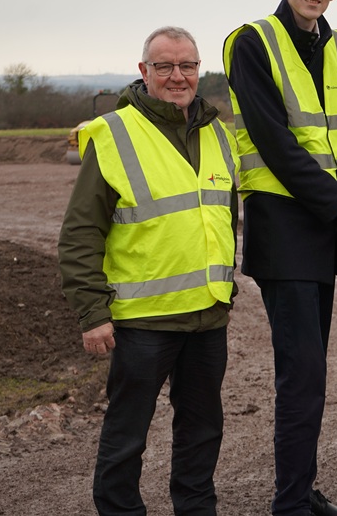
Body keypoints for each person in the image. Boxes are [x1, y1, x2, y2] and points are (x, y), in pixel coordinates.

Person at [222, 0, 337, 516]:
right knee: (302, 374)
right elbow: (275, 142)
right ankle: (290, 503)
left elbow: (333, 135)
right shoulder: (250, 42)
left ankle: (302, 492)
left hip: (321, 225)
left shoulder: (335, 43)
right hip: (283, 222)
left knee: (311, 371)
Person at [58, 26, 239, 516]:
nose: (177, 76)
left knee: (202, 435)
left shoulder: (217, 133)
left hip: (207, 317)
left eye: (187, 66)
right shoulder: (114, 134)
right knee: (126, 438)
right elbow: (80, 233)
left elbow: (223, 216)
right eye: (164, 66)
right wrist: (92, 312)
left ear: (199, 71)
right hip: (142, 321)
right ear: (144, 71)